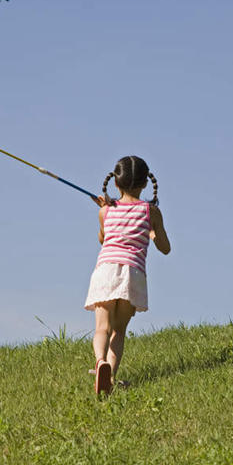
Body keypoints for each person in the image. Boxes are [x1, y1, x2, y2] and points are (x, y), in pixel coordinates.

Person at [84, 155, 171, 395]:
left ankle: (100, 362)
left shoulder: (105, 211)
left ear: (116, 183)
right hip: (132, 273)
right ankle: (109, 377)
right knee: (118, 331)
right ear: (145, 184)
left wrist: (104, 210)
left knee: (102, 328)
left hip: (105, 271)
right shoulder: (150, 212)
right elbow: (165, 248)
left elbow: (103, 239)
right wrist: (152, 233)